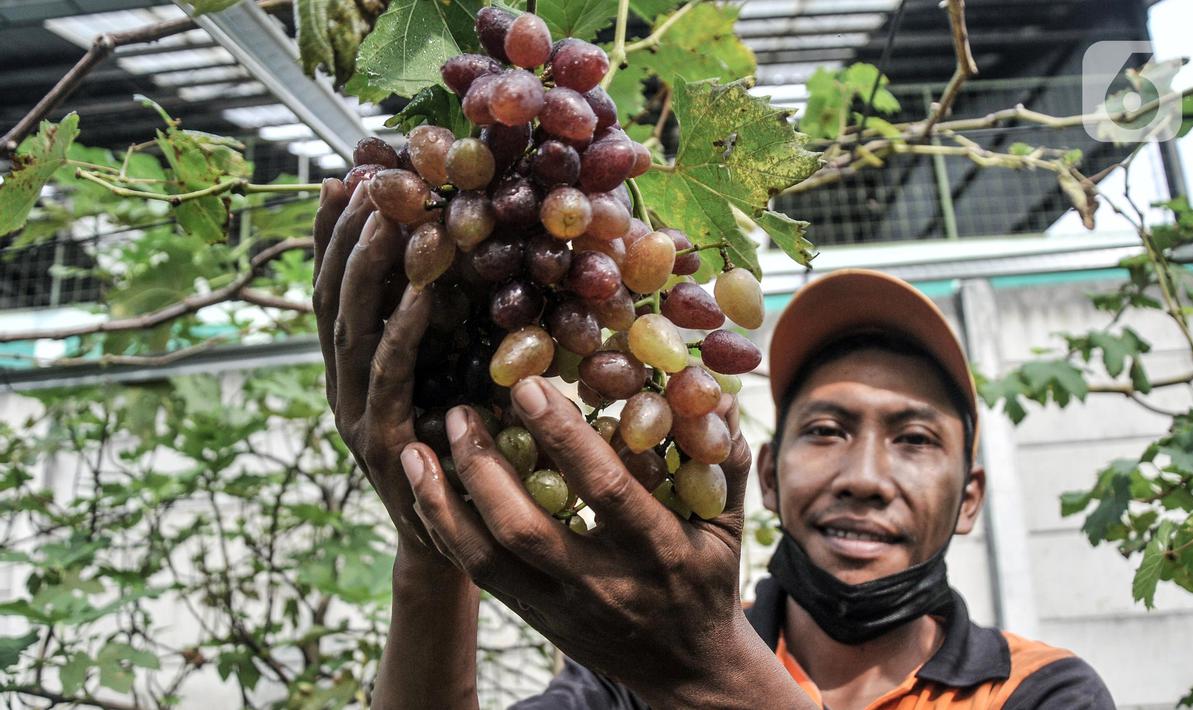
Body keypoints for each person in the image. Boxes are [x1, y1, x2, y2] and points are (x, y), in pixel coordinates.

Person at [312, 179, 1115, 709]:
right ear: (766, 470)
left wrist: (710, 674)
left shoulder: (1040, 691)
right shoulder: (628, 666)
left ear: (969, 496)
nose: (864, 477)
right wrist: (429, 545)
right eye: (826, 430)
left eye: (913, 439)